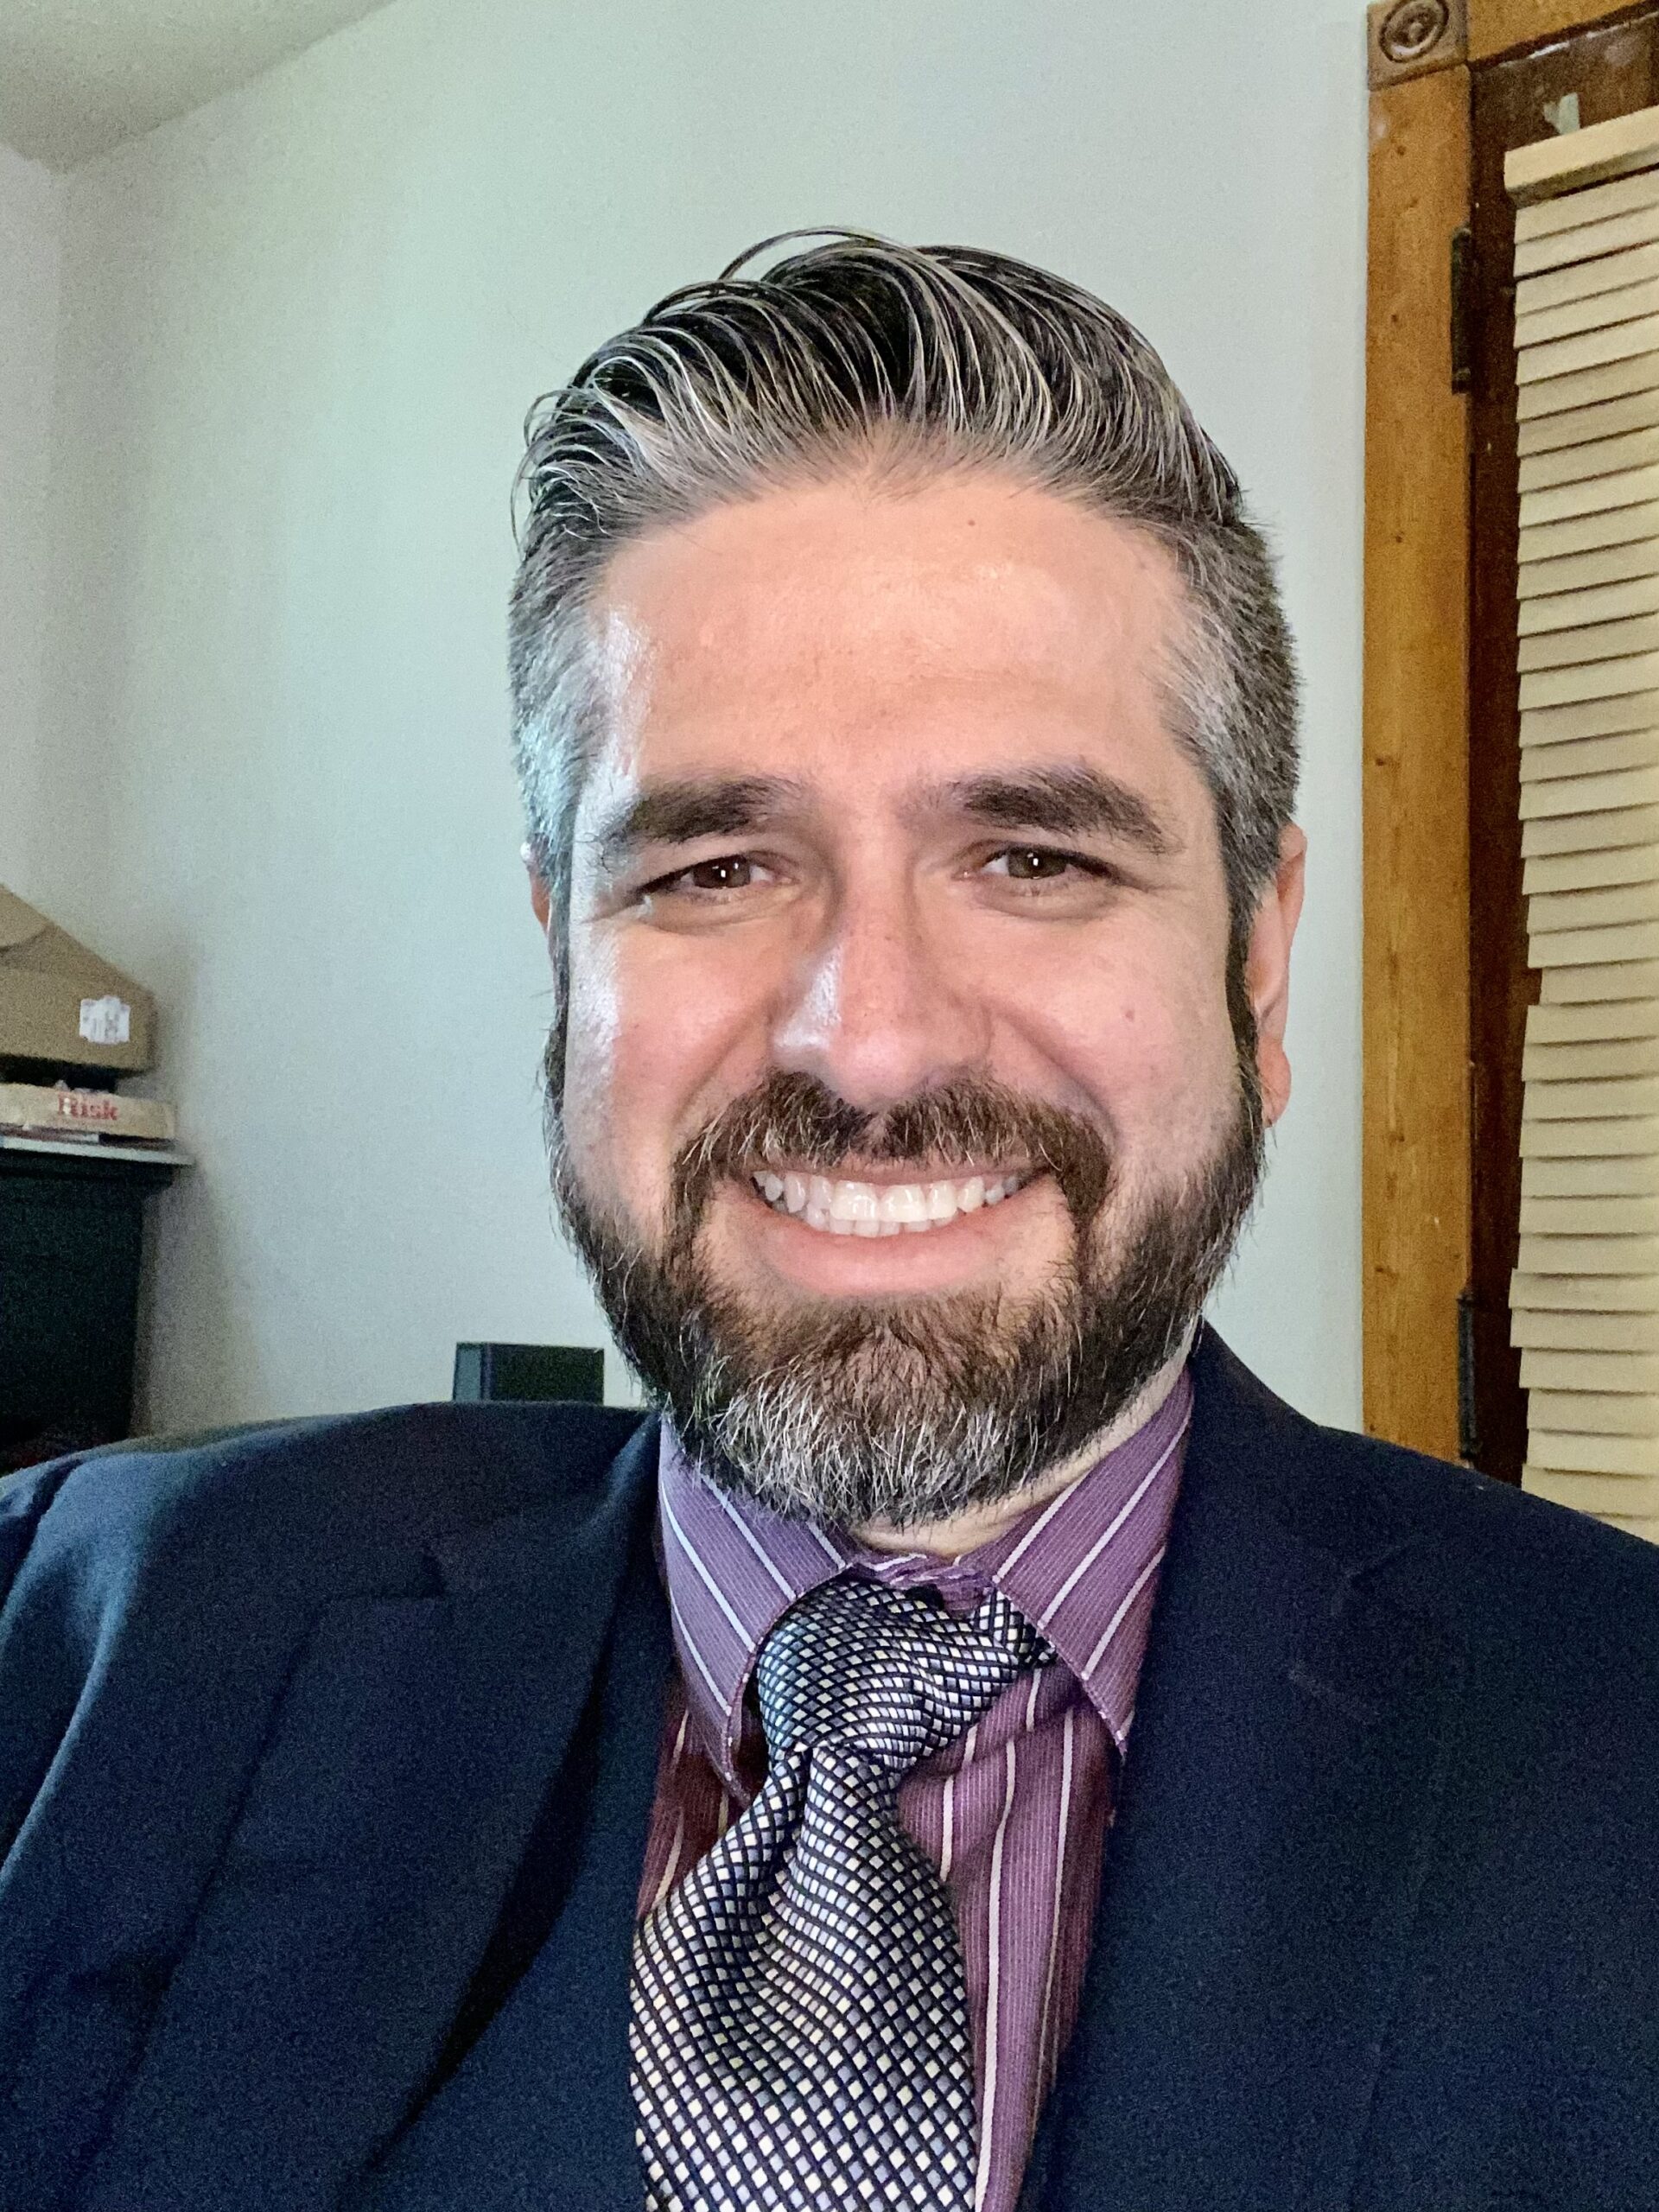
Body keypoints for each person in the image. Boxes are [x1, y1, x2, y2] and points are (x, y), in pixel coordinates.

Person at [3, 233, 1656, 2212]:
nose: (868, 1044)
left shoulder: (1615, 1745)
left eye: (1034, 854)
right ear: (569, 955)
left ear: (1261, 964)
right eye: (712, 864)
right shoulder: (92, 1640)